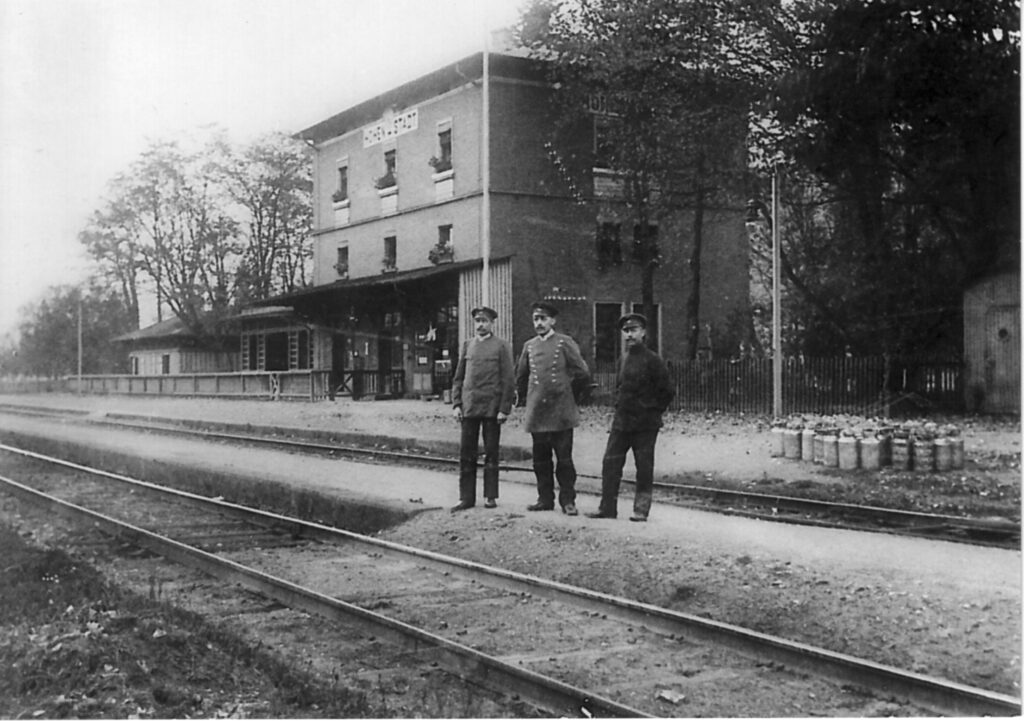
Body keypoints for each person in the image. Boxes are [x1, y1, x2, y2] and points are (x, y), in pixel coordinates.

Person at [587, 312, 674, 522]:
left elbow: (668, 391)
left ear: (643, 332)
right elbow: (620, 388)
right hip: (622, 422)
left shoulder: (654, 360)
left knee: (643, 467)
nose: (629, 335)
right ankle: (607, 508)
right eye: (625, 331)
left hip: (645, 424)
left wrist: (652, 411)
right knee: (610, 463)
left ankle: (641, 510)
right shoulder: (623, 359)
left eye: (633, 330)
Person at [514, 301, 590, 515]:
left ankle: (568, 501)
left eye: (543, 319)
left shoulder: (564, 343)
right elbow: (521, 376)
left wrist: (569, 394)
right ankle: (544, 499)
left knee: (564, 460)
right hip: (538, 412)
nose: (539, 323)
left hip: (561, 411)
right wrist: (526, 400)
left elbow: (583, 373)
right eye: (536, 319)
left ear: (552, 321)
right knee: (540, 460)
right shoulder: (529, 346)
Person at [450, 306, 515, 511]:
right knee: (466, 454)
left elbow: (508, 380)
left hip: (491, 408)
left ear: (492, 323)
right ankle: (466, 498)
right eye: (478, 321)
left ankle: (490, 496)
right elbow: (458, 378)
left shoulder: (501, 346)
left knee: (491, 453)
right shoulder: (467, 345)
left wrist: (504, 408)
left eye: (485, 321)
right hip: (469, 407)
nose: (481, 325)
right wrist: (456, 404)